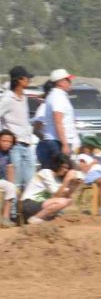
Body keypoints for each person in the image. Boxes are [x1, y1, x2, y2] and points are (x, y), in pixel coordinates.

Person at [0, 67, 37, 202]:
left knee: (29, 180)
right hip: (15, 145)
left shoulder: (24, 98)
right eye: (27, 78)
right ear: (19, 80)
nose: (29, 80)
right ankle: (14, 213)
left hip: (27, 144)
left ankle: (26, 210)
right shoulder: (8, 98)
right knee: (15, 181)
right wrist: (5, 136)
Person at [20, 153, 81, 224]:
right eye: (64, 167)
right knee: (63, 201)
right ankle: (35, 218)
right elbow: (57, 196)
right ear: (57, 164)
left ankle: (39, 217)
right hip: (28, 204)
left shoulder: (57, 179)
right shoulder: (46, 172)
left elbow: (65, 196)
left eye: (67, 168)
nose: (65, 170)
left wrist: (74, 185)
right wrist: (66, 180)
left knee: (68, 200)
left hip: (38, 203)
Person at [39, 70, 79, 168]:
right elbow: (58, 122)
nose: (70, 82)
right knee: (61, 171)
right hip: (57, 142)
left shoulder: (59, 96)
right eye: (68, 80)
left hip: (58, 141)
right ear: (60, 82)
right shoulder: (58, 97)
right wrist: (65, 145)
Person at [0, 130, 18, 227]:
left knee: (11, 187)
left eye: (10, 142)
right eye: (4, 141)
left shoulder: (8, 154)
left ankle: (5, 218)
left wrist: (12, 185)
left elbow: (10, 168)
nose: (7, 144)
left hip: (1, 180)